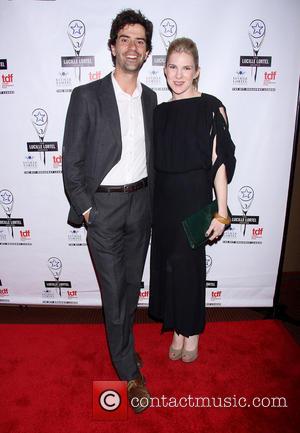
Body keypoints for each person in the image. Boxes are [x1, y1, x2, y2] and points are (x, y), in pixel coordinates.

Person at [62, 9, 157, 413]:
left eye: (140, 41)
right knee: (115, 292)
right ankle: (127, 371)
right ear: (112, 46)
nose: (132, 47)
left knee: (131, 288)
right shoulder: (87, 96)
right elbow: (72, 163)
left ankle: (124, 346)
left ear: (147, 51)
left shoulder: (152, 98)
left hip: (142, 205)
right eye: (125, 39)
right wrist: (86, 209)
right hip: (102, 208)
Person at [149, 38, 236, 363]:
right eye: (173, 67)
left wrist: (222, 211)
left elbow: (220, 162)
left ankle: (192, 330)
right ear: (165, 69)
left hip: (194, 200)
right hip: (164, 202)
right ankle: (176, 328)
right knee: (169, 267)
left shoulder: (211, 106)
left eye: (186, 68)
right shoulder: (159, 113)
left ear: (197, 71)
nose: (179, 74)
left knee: (189, 269)